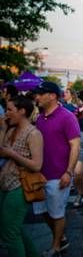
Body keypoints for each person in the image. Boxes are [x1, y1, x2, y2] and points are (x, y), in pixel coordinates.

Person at [32, 81, 80, 257]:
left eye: (40, 94)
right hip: (39, 174)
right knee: (44, 212)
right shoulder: (39, 117)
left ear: (52, 96)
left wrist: (68, 172)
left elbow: (75, 146)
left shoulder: (67, 117)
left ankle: (56, 247)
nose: (36, 97)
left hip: (59, 175)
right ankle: (61, 238)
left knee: (57, 213)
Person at [0, 95, 43, 257]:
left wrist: (12, 154)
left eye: (10, 109)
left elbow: (37, 165)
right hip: (4, 183)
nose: (6, 113)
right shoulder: (10, 129)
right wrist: (3, 129)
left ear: (22, 111)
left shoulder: (34, 134)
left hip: (19, 185)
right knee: (10, 228)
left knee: (10, 233)